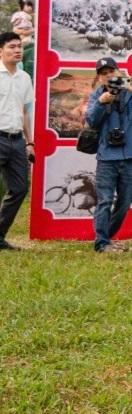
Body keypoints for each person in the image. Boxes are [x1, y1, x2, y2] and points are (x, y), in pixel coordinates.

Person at [85, 57, 132, 252]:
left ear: (119, 72)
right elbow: (91, 120)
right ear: (99, 78)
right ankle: (102, 243)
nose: (109, 76)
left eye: (112, 71)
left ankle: (106, 237)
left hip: (131, 156)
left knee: (126, 202)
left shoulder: (131, 89)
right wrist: (101, 103)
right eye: (104, 73)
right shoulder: (97, 95)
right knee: (105, 201)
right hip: (107, 157)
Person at [0, 31, 34, 250]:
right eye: (12, 47)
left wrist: (30, 142)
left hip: (17, 141)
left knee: (20, 188)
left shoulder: (24, 78)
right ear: (1, 50)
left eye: (19, 46)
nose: (18, 50)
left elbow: (24, 111)